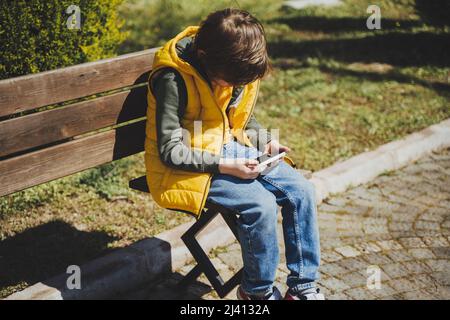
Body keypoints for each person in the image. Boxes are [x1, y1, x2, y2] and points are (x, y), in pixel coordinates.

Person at [144, 8, 323, 300]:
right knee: (261, 205)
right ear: (204, 56)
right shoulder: (173, 79)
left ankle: (302, 287)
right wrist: (227, 166)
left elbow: (240, 120)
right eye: (230, 83)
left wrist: (266, 142)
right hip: (188, 164)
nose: (235, 88)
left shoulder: (227, 65)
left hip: (229, 150)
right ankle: (257, 293)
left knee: (301, 189)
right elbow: (169, 151)